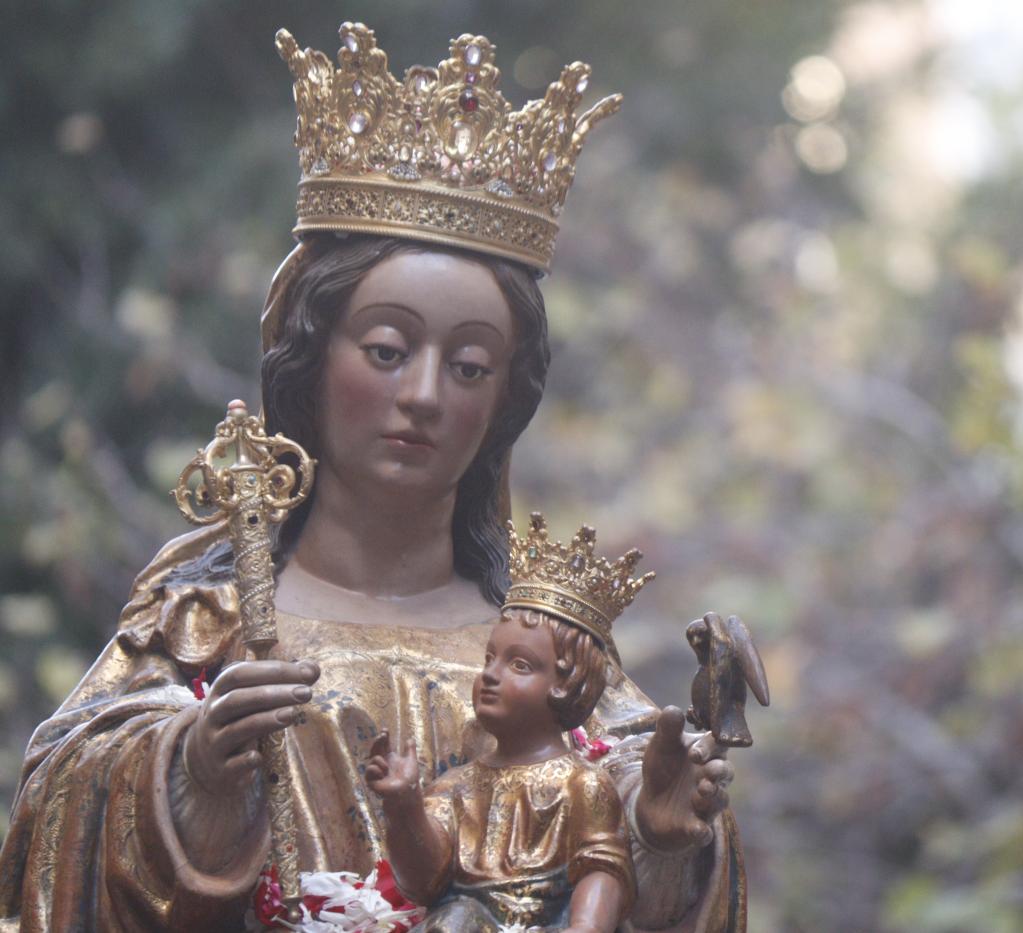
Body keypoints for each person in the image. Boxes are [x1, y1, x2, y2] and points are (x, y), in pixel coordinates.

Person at [0, 22, 745, 933]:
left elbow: (648, 871)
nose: (424, 395)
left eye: (470, 366)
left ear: (506, 401)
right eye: (387, 349)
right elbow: (58, 827)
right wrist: (189, 770)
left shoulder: (551, 658)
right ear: (311, 362)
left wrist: (665, 839)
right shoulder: (212, 623)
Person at [366, 515, 651, 932]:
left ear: (565, 684)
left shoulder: (581, 785)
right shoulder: (456, 787)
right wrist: (405, 806)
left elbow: (602, 872)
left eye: (518, 664)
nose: (490, 675)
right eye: (488, 659)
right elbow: (422, 884)